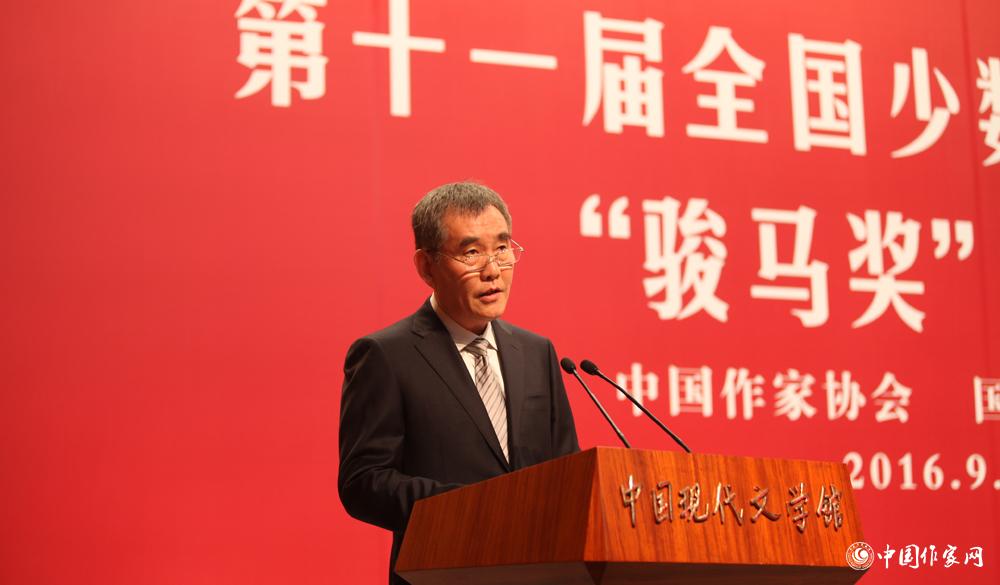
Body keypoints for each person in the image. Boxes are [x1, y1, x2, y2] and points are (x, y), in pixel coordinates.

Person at [338, 181, 580, 585]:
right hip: (443, 572)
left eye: (502, 248)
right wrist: (473, 508)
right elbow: (363, 483)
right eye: (471, 253)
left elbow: (567, 472)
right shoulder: (386, 355)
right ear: (426, 266)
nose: (493, 270)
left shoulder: (536, 352)